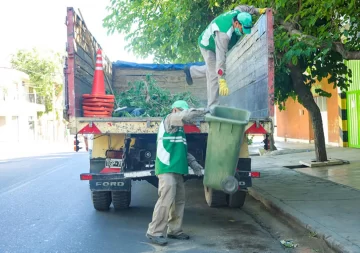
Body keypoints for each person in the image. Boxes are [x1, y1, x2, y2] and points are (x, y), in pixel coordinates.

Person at [146, 100, 208, 246]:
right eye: (180, 110)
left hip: (177, 169)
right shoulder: (169, 119)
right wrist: (205, 110)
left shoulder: (180, 130)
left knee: (179, 200)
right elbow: (186, 116)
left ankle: (174, 230)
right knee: (165, 199)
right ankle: (154, 232)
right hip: (166, 168)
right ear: (175, 110)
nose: (182, 114)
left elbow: (183, 151)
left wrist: (194, 163)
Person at [184, 5, 267, 108]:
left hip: (216, 44)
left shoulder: (239, 14)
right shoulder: (224, 35)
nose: (242, 33)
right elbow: (220, 58)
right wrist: (222, 79)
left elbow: (244, 8)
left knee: (213, 68)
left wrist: (258, 10)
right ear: (236, 23)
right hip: (208, 46)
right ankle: (212, 106)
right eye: (242, 29)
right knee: (214, 75)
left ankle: (191, 71)